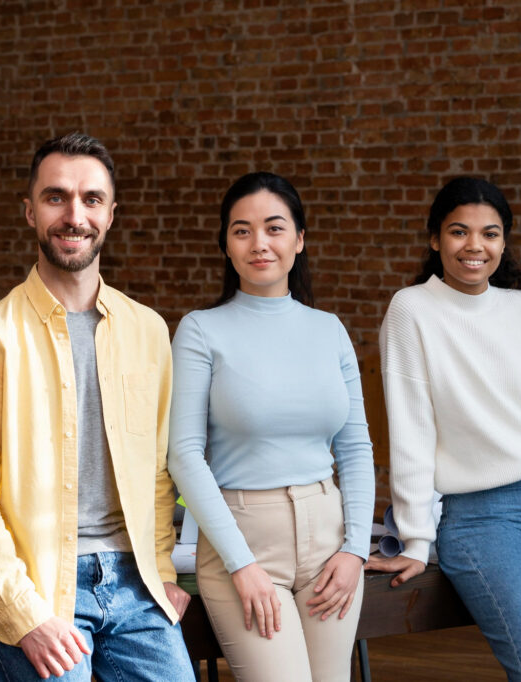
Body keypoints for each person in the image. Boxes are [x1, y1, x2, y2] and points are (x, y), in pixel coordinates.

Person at [0, 132, 195, 681]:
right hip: (37, 586)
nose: (73, 214)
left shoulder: (148, 331)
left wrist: (161, 572)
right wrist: (25, 614)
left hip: (136, 583)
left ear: (110, 214)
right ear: (30, 211)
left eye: (91, 199)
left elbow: (157, 475)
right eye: (56, 197)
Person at [367, 177, 521, 680]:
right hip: (483, 523)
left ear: (503, 242)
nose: (475, 246)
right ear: (435, 239)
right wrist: (414, 539)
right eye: (459, 232)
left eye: (490, 234)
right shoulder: (411, 311)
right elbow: (412, 433)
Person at [167, 172, 375, 681]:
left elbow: (357, 449)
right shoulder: (200, 330)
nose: (259, 243)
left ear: (299, 240)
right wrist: (241, 564)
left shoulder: (329, 330)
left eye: (274, 228)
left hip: (329, 542)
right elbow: (185, 455)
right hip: (244, 540)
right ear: (227, 245)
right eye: (242, 230)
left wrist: (355, 550)